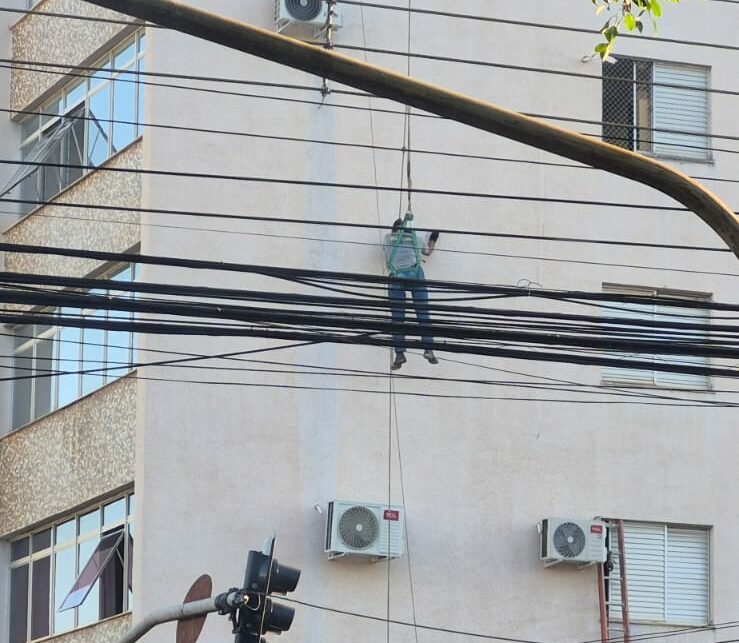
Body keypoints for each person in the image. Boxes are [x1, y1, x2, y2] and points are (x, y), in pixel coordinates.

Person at [383, 213, 440, 370]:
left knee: (397, 318)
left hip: (396, 276)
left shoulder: (387, 239)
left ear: (393, 230)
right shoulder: (415, 238)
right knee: (423, 313)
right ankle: (428, 349)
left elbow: (388, 254)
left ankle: (400, 354)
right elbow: (428, 252)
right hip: (415, 274)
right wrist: (433, 239)